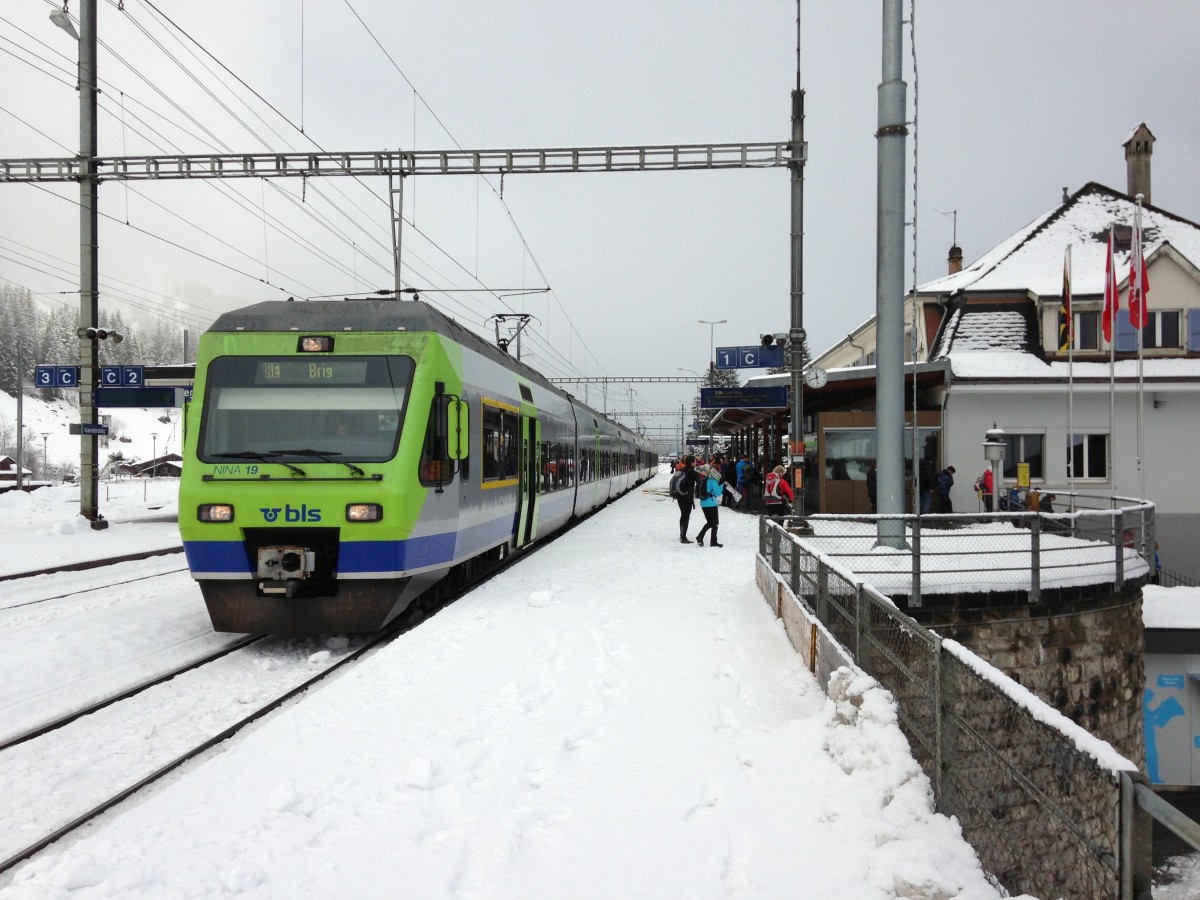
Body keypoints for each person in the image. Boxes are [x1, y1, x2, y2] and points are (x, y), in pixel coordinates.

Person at [694, 464, 723, 547]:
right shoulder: (713, 481)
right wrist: (721, 484)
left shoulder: (704, 480)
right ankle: (713, 542)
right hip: (711, 504)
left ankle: (700, 536)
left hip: (703, 504)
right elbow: (718, 493)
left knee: (710, 523)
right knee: (715, 523)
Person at [672, 455, 698, 543]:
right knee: (686, 516)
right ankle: (683, 537)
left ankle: (682, 534)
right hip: (687, 497)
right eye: (695, 461)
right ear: (691, 462)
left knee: (683, 515)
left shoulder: (682, 470)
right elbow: (699, 481)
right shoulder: (692, 472)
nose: (696, 463)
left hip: (680, 495)